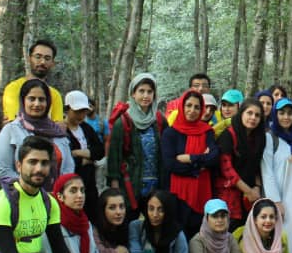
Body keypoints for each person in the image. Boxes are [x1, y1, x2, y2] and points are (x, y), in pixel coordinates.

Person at [0, 78, 72, 188]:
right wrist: (32, 192)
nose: (37, 104)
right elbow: (4, 170)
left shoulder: (58, 132)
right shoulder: (11, 130)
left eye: (41, 99)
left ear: (48, 102)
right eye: (32, 99)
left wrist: (59, 191)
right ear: (23, 101)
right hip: (21, 194)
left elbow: (68, 168)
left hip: (56, 195)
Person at [106, 73, 165, 217]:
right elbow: (114, 156)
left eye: (149, 92)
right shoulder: (123, 121)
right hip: (130, 185)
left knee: (154, 222)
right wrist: (115, 186)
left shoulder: (159, 119)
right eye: (141, 91)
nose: (146, 96)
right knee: (128, 221)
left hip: (155, 184)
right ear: (133, 93)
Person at [161, 89, 219, 231]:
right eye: (189, 105)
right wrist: (199, 167)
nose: (192, 110)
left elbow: (213, 158)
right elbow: (170, 164)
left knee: (198, 232)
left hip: (201, 191)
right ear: (182, 106)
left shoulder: (207, 131)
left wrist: (190, 158)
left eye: (197, 107)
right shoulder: (170, 133)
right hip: (177, 194)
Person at [214, 100, 266, 227]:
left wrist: (257, 187)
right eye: (249, 113)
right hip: (230, 195)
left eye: (257, 115)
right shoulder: (228, 135)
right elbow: (227, 169)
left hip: (250, 196)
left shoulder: (259, 138)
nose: (253, 118)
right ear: (241, 113)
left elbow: (257, 166)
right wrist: (248, 191)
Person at [62, 90, 105, 223]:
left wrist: (78, 152)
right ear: (67, 109)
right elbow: (67, 158)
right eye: (77, 111)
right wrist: (86, 157)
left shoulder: (86, 128)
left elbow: (100, 151)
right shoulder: (62, 131)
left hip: (90, 185)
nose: (81, 115)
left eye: (84, 111)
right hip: (71, 185)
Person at [2, 39, 64, 123]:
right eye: (38, 57)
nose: (42, 62)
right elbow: (15, 123)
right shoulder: (14, 88)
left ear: (52, 63)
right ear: (29, 59)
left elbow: (58, 126)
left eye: (47, 58)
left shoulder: (55, 95)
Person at [262, 98, 292, 214]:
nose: (286, 117)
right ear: (275, 115)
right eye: (281, 113)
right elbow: (267, 172)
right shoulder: (269, 137)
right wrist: (276, 201)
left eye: (290, 113)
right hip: (276, 200)